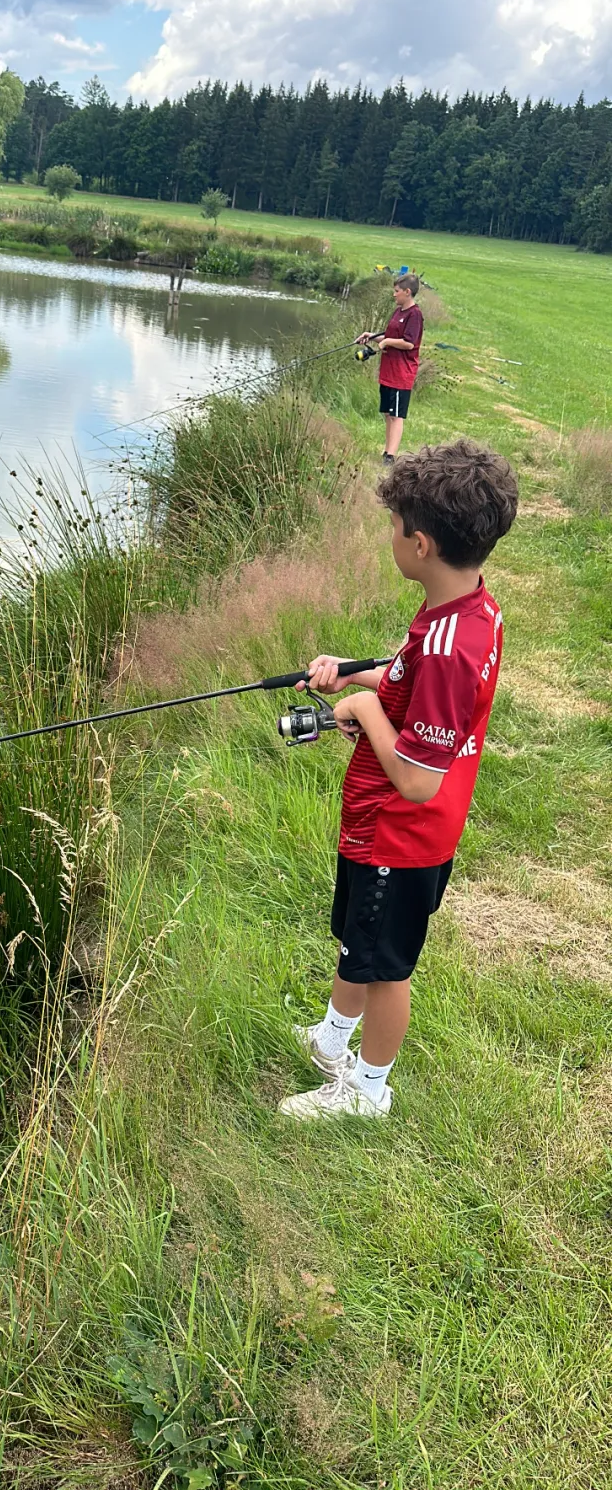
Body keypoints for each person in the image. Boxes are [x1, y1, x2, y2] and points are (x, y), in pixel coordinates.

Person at [279, 439, 518, 1121]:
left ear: (419, 545)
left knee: (386, 966)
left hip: (403, 832)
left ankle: (367, 1091)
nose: (390, 535)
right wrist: (356, 677)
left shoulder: (449, 645)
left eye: (392, 526)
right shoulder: (469, 610)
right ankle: (332, 1040)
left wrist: (357, 713)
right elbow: (413, 688)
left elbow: (416, 778)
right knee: (361, 942)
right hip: (388, 827)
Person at [359, 274, 424, 465]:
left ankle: (391, 457)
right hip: (388, 371)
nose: (393, 294)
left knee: (396, 415)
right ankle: (386, 450)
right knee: (388, 413)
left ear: (407, 292)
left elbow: (409, 343)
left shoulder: (414, 315)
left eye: (396, 291)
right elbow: (388, 337)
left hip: (401, 373)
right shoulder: (398, 312)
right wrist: (372, 337)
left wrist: (387, 341)